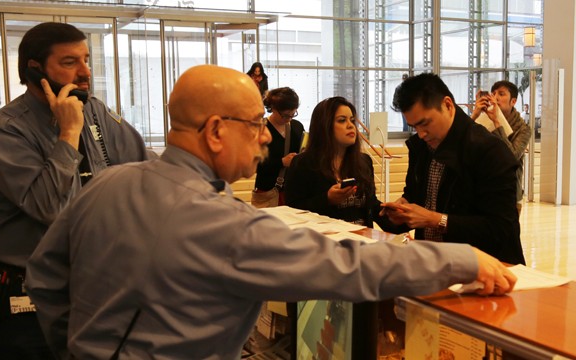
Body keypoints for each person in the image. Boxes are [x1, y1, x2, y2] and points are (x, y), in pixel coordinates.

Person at [26, 65, 516, 360]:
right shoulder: (219, 224)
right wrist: (463, 260)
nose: (265, 135)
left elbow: (45, 276)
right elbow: (351, 266)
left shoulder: (107, 184)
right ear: (216, 131)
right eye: (255, 123)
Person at [0, 22, 152, 359]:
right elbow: (50, 207)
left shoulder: (95, 110)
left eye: (85, 59)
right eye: (69, 62)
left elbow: (144, 167)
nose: (85, 72)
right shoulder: (6, 131)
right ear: (35, 70)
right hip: (20, 290)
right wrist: (68, 133)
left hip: (89, 282)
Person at [385, 73, 525, 265]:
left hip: (483, 269)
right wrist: (403, 208)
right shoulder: (421, 147)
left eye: (425, 123)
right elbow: (415, 196)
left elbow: (500, 228)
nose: (422, 133)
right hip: (433, 263)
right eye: (414, 126)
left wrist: (435, 219)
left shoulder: (489, 150)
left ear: (448, 105)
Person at [285, 96, 399, 232]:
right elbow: (293, 211)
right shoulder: (303, 163)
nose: (351, 125)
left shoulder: (364, 161)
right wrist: (327, 199)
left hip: (362, 243)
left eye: (352, 120)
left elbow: (370, 205)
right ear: (324, 126)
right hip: (325, 244)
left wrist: (395, 214)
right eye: (342, 120)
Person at [471, 81, 532, 215]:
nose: (496, 97)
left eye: (501, 94)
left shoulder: (523, 129)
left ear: (513, 101)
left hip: (508, 194)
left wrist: (497, 123)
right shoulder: (483, 120)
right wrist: (475, 115)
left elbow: (512, 156)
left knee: (505, 235)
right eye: (493, 93)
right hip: (480, 190)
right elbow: (463, 142)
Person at [251, 87, 305, 208]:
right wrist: (281, 162)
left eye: (293, 114)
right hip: (267, 190)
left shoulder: (297, 127)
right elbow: (254, 163)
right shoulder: (261, 128)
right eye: (285, 115)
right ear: (273, 108)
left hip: (292, 190)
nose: (289, 119)